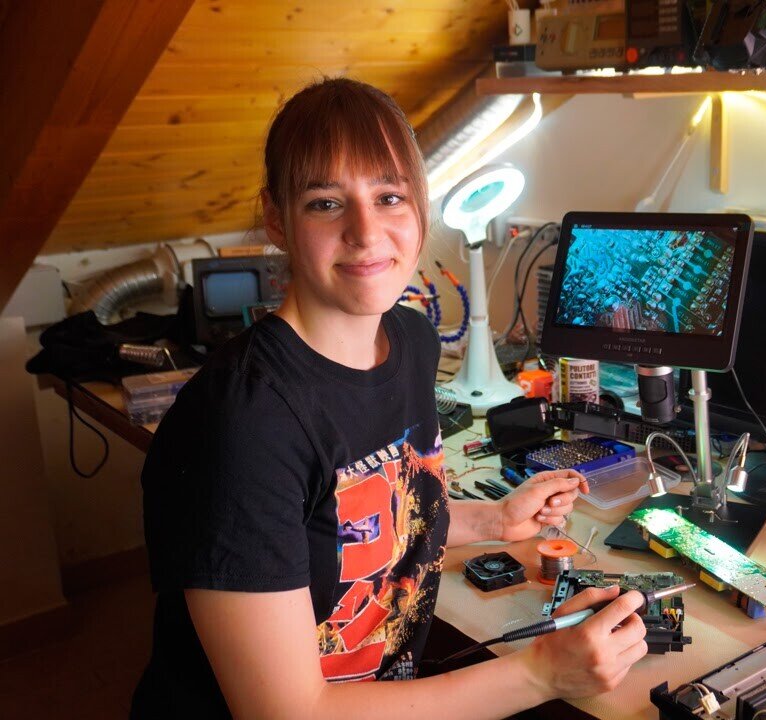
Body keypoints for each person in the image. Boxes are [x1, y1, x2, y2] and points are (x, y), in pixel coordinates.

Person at [130, 77, 649, 719]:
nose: (366, 231)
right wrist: (540, 673)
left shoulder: (409, 339)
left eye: (389, 197)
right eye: (325, 203)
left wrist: (493, 521)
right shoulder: (243, 422)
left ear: (420, 207)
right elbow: (288, 713)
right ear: (277, 218)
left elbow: (371, 523)